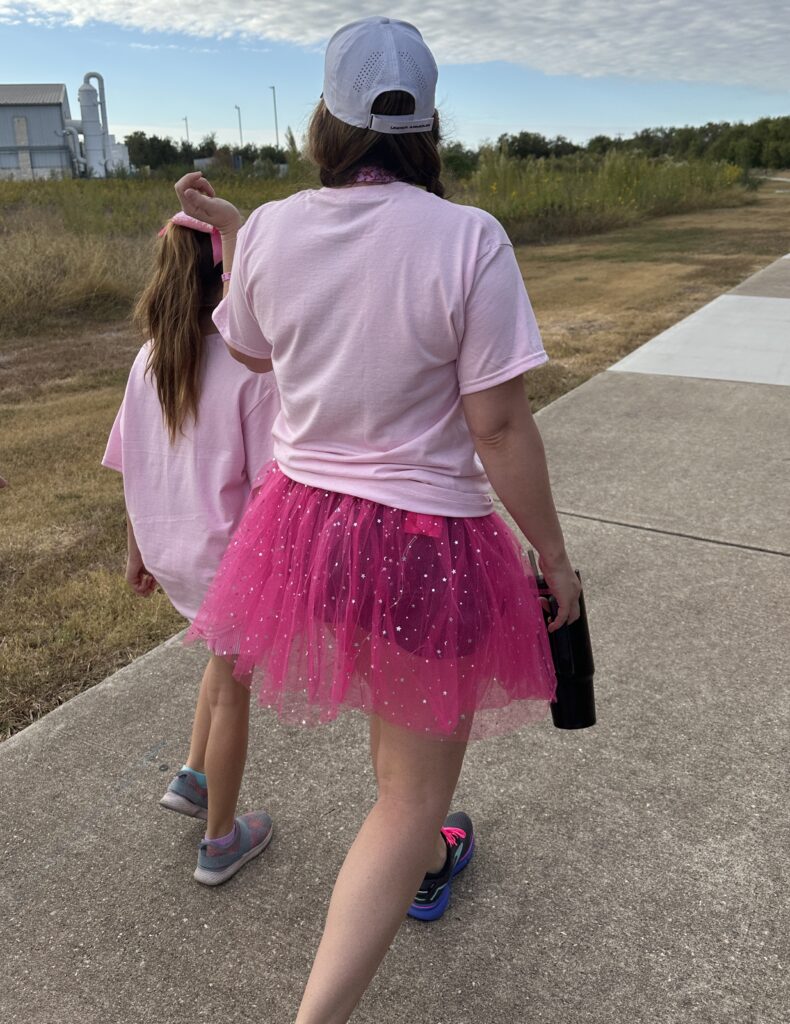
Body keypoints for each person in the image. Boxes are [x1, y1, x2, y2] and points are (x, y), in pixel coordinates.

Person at [177, 15, 581, 1021]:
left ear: (327, 120)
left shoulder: (274, 229)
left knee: (396, 751)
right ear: (427, 125)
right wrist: (553, 554)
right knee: (410, 795)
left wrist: (245, 233)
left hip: (304, 535)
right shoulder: (468, 237)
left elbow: (256, 348)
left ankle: (418, 861)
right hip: (424, 546)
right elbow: (497, 423)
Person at [102, 211, 279, 885]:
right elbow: (270, 484)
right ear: (231, 277)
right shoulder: (249, 369)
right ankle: (220, 841)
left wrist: (136, 551)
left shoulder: (147, 359)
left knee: (219, 656)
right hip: (229, 560)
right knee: (234, 688)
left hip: (170, 550)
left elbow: (133, 464)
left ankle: (194, 777)